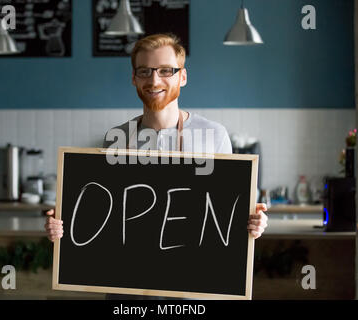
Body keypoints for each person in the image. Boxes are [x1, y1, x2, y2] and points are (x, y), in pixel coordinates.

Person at [45, 33, 268, 298]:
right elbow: (100, 218)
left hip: (191, 290)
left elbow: (229, 216)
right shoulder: (118, 138)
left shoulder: (214, 136)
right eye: (144, 71)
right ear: (134, 79)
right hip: (125, 290)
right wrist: (61, 226)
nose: (154, 80)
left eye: (165, 71)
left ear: (182, 77)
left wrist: (255, 222)